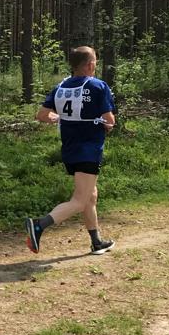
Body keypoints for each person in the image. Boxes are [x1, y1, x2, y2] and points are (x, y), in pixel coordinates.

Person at [25, 45, 116, 256]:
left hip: (69, 150)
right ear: (91, 65)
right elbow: (109, 120)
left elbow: (41, 115)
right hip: (89, 149)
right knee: (80, 200)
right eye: (95, 62)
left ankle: (96, 242)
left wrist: (56, 117)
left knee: (90, 195)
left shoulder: (61, 86)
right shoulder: (98, 86)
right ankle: (39, 225)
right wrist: (108, 125)